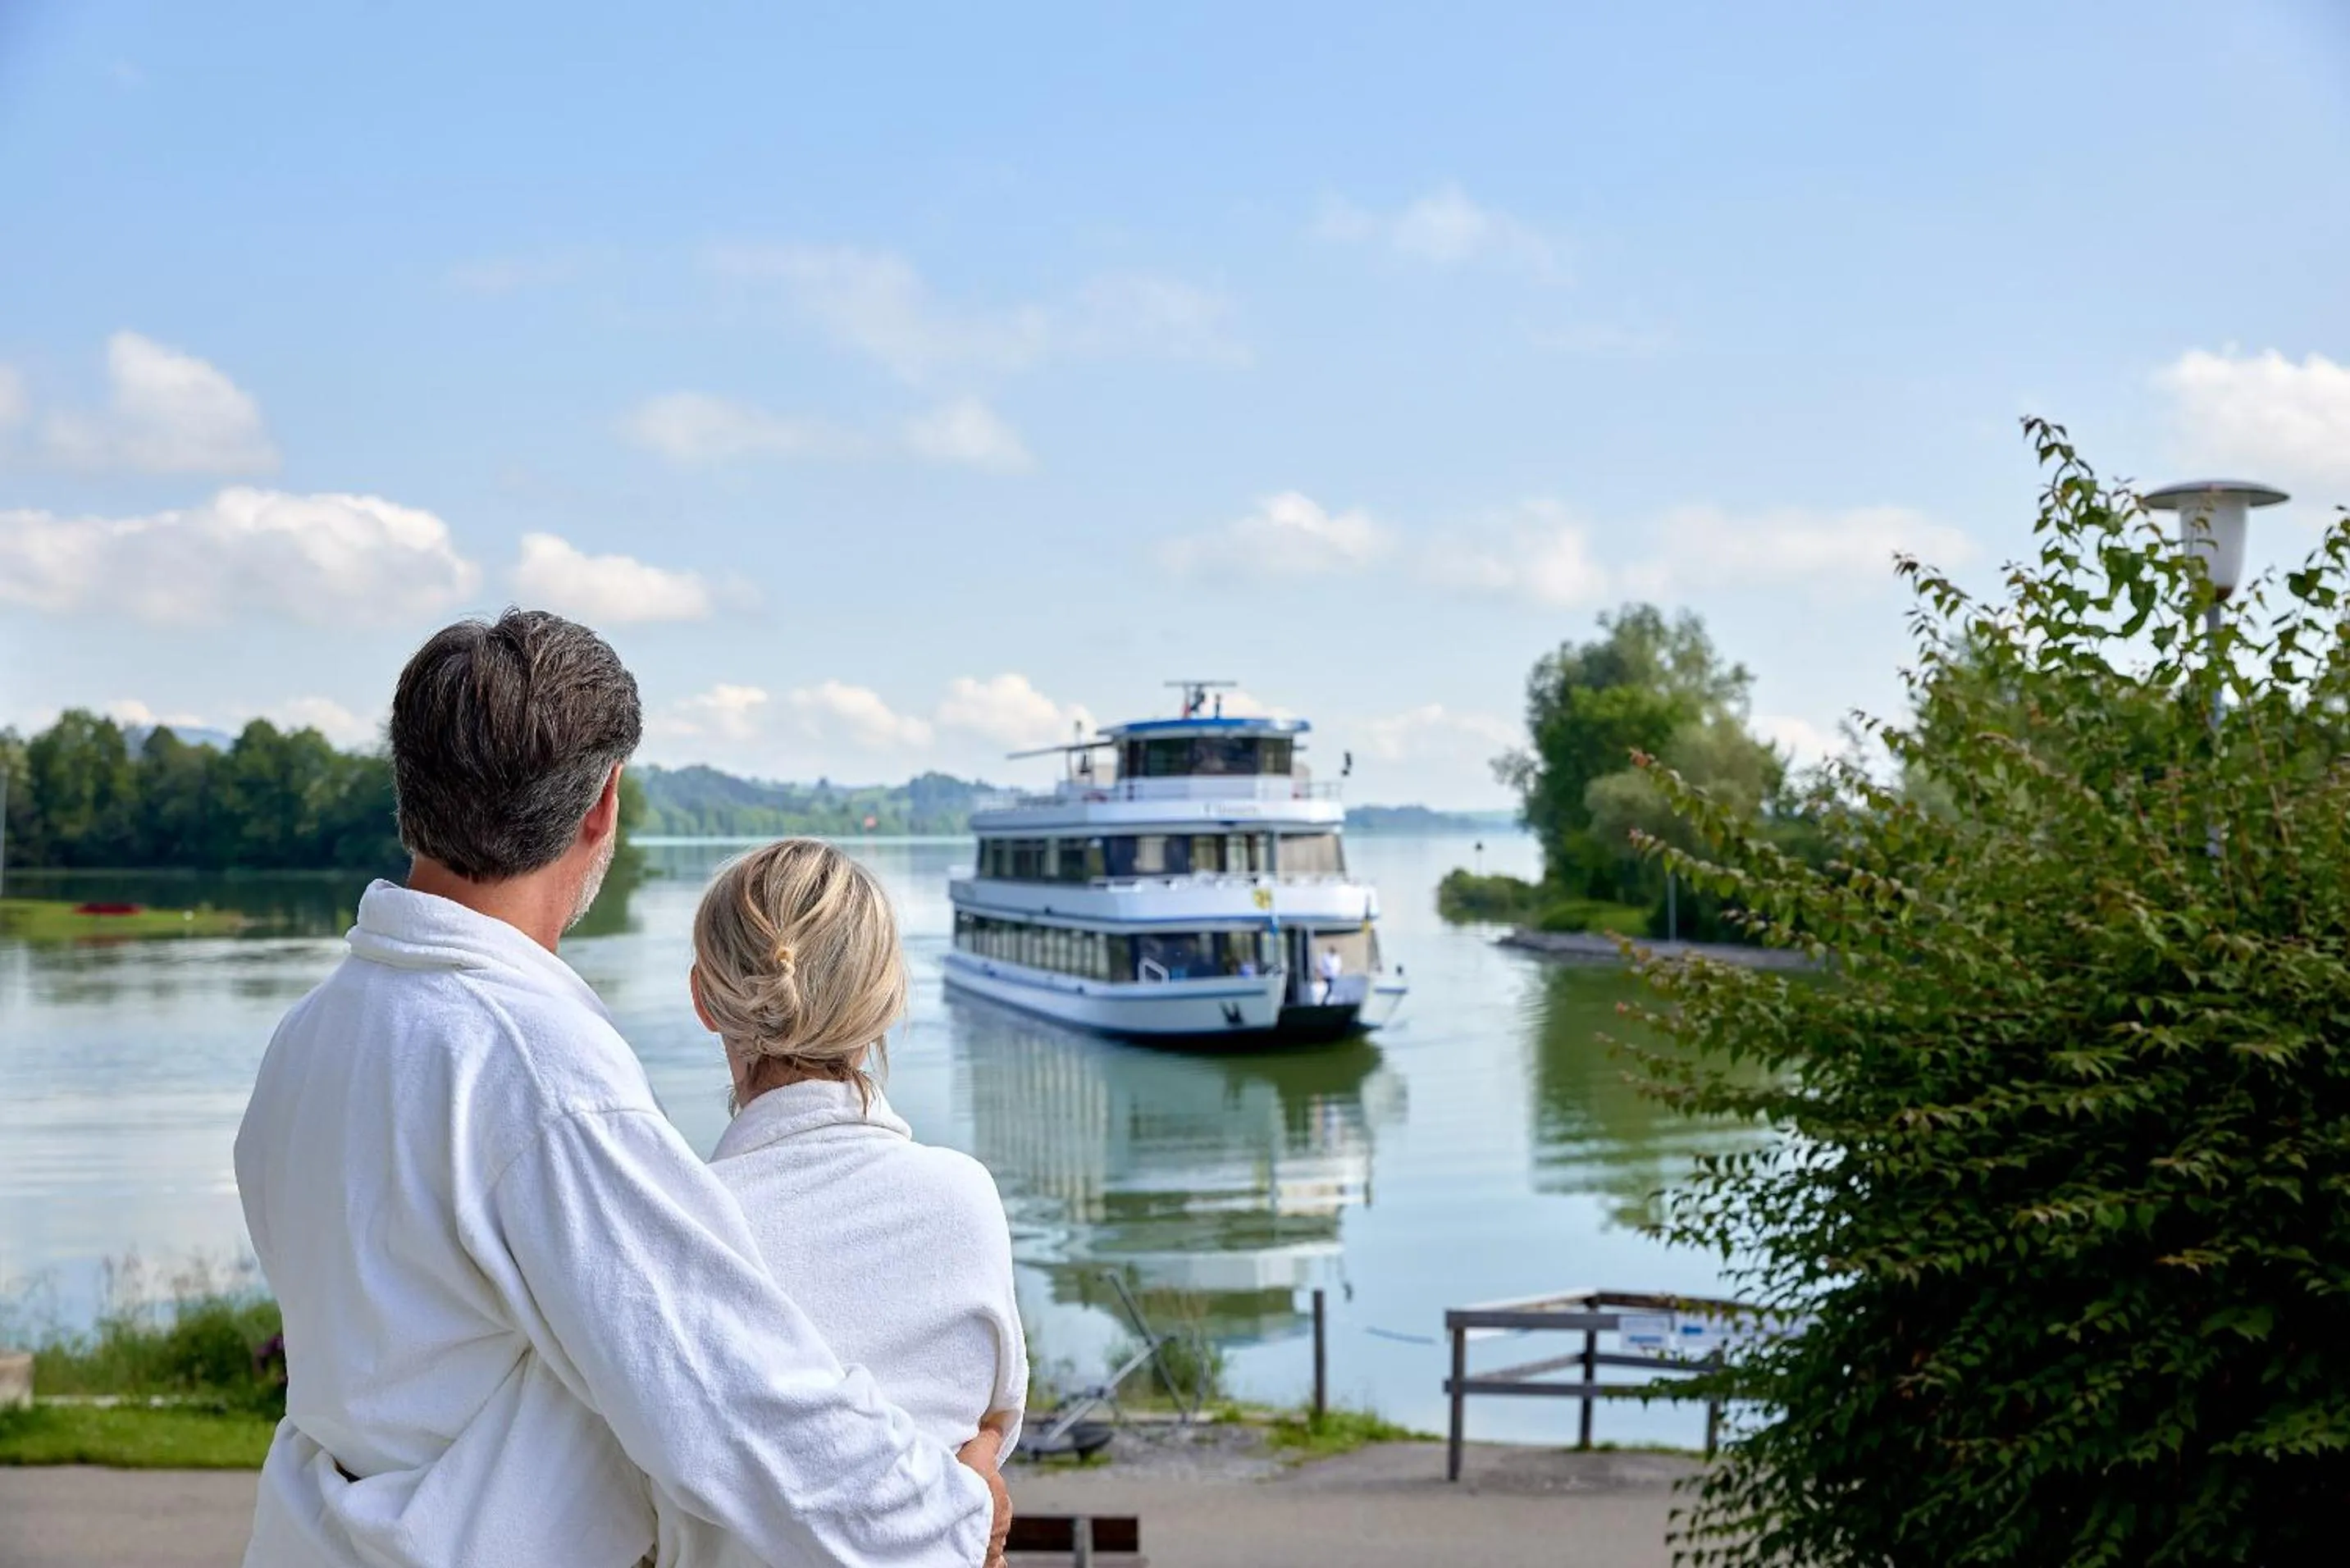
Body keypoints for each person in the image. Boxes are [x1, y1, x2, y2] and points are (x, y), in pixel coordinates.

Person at [233, 610, 1008, 1568]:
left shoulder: (311, 1036)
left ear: (409, 795)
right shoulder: (537, 1068)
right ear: (603, 805)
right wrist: (953, 1513)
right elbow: (725, 1401)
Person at [658, 840, 1025, 1568]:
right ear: (886, 1000)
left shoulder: (673, 1231)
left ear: (703, 998)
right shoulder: (962, 1201)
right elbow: (989, 1427)